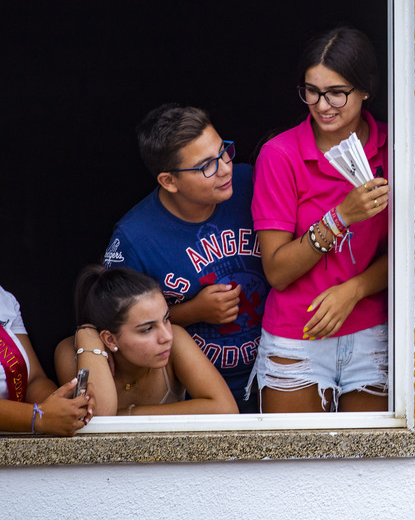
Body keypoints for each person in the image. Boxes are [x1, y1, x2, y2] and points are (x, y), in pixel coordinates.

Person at [250, 26, 390, 413]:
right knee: (294, 470)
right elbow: (277, 271)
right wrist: (341, 216)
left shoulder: (395, 148)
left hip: (371, 329)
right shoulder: (280, 155)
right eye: (311, 91)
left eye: (337, 93)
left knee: (371, 469)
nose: (322, 105)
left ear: (365, 91)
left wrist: (356, 289)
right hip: (298, 332)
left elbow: (414, 251)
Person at [102, 104, 268, 413]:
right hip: (190, 398)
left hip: (277, 378)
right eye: (207, 165)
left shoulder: (253, 183)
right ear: (168, 181)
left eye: (224, 151)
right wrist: (194, 311)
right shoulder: (134, 238)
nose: (225, 168)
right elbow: (115, 332)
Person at [55, 266, 237, 415]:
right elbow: (99, 417)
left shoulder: (177, 340)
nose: (166, 336)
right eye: (147, 329)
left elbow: (226, 410)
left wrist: (130, 414)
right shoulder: (70, 354)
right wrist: (87, 337)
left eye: (166, 318)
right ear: (110, 339)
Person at [0, 285, 91, 435]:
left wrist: (67, 403)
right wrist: (38, 416)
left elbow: (33, 381)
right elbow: (40, 416)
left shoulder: (4, 299)